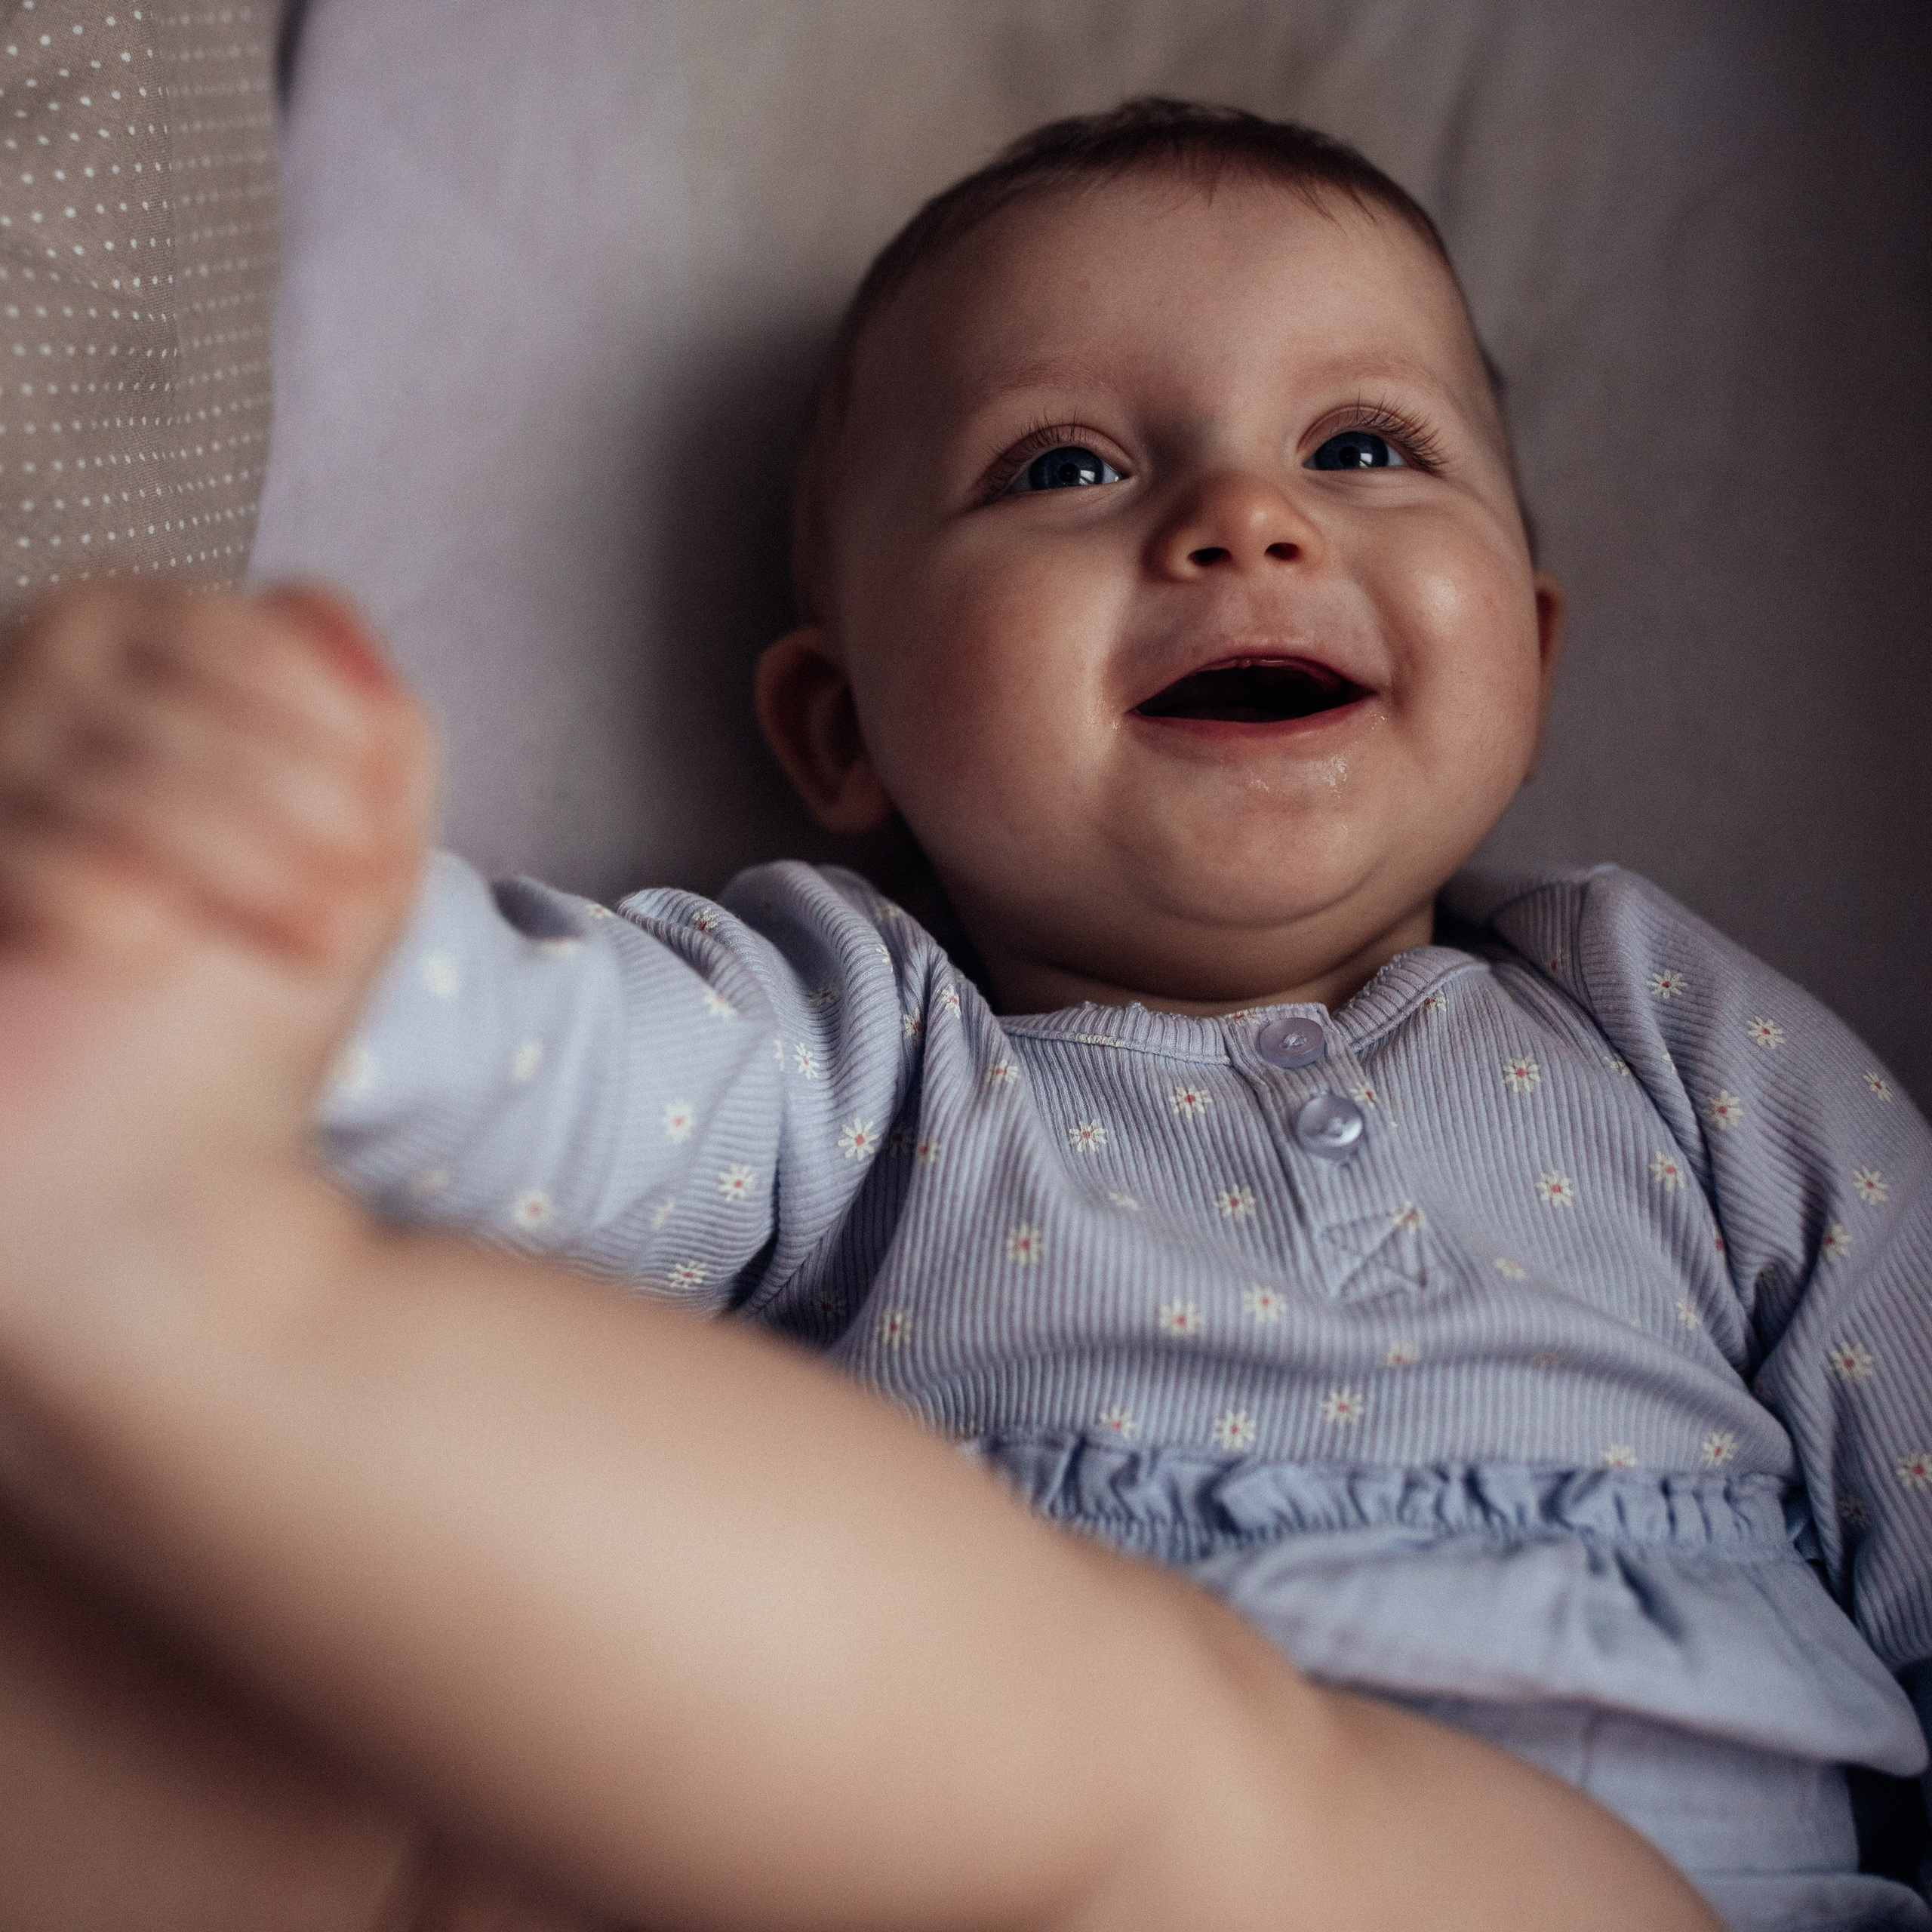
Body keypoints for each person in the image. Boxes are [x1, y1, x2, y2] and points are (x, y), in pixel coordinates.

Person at [0, 97, 1923, 1927]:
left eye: (1361, 448)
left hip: (1591, 1885)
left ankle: (163, 1280)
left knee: (1152, 1750)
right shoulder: (862, 1047)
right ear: (841, 725)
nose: (1244, 517)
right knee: (259, 1800)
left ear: (1530, 636)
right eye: (1065, 467)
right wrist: (273, 923)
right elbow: (556, 1070)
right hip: (885, 1859)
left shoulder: (1656, 1028)